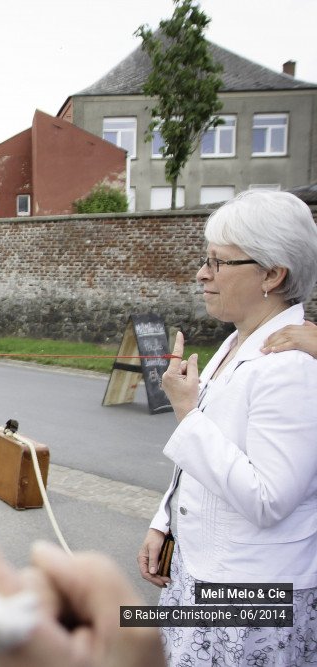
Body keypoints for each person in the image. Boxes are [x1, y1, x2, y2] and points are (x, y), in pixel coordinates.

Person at [136, 190, 317, 665]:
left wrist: (186, 413)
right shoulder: (237, 341)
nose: (202, 273)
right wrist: (165, 522)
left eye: (218, 262)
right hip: (201, 572)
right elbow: (209, 459)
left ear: (272, 274)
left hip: (248, 595)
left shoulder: (290, 366)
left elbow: (267, 499)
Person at [0, 472, 165, 667]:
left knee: (189, 622)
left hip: (199, 581)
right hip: (185, 567)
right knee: (175, 625)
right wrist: (161, 525)